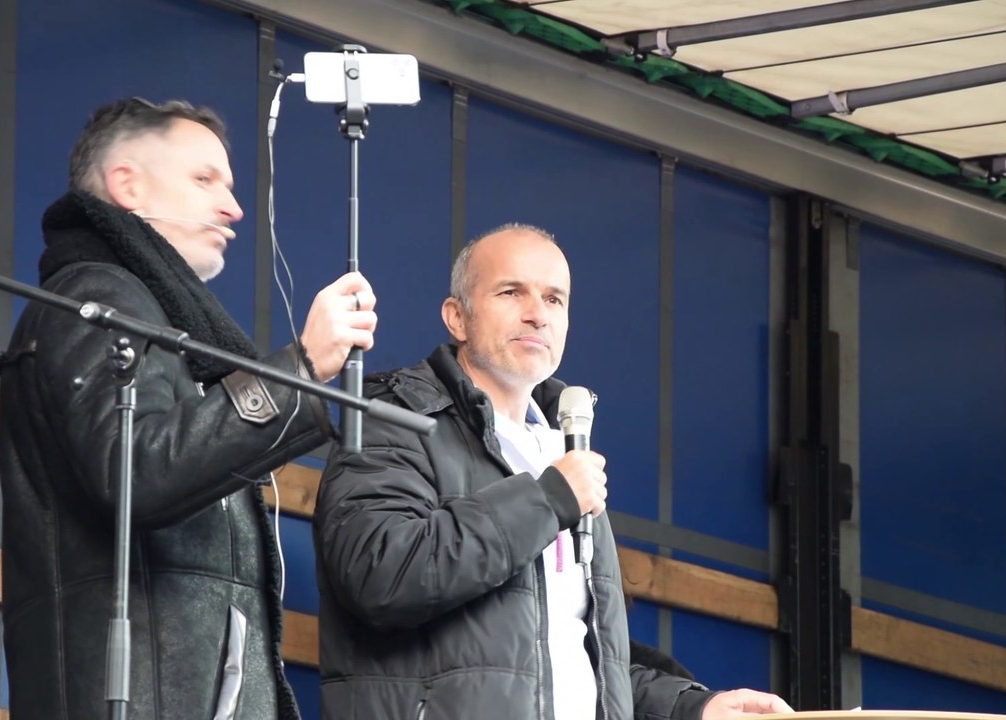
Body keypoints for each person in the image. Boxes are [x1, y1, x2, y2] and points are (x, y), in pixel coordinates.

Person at [313, 224, 792, 720]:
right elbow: (380, 574)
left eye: (554, 299)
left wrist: (696, 707)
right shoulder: (396, 417)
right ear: (457, 317)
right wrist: (549, 499)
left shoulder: (563, 451)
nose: (537, 314)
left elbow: (574, 661)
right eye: (511, 291)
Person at [0, 97, 376, 720]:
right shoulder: (95, 297)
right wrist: (300, 371)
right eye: (204, 180)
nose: (233, 206)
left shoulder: (148, 315)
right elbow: (136, 472)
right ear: (127, 185)